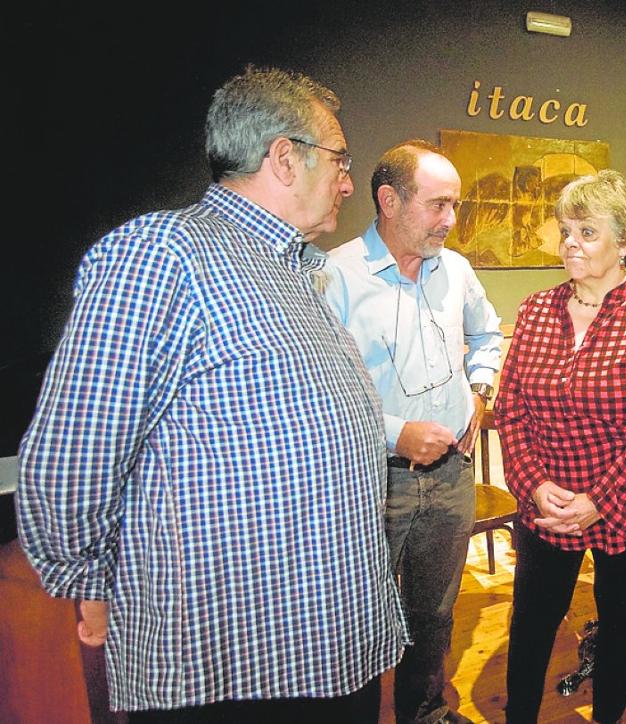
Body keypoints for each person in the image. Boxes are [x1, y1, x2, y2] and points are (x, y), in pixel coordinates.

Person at [17, 66, 406, 721]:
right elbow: (72, 454)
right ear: (284, 157)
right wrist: (87, 581)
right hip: (230, 667)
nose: (347, 180)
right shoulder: (165, 253)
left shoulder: (289, 272)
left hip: (322, 649)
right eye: (340, 159)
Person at [493, 169, 626, 724]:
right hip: (547, 506)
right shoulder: (535, 311)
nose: (570, 244)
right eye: (565, 230)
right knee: (531, 620)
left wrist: (598, 501)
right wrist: (534, 487)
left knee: (621, 620)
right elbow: (512, 411)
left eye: (587, 231)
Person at [321, 139, 503, 724]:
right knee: (359, 616)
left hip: (451, 475)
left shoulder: (457, 269)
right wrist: (395, 432)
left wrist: (480, 389)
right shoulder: (336, 277)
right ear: (389, 200)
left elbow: (487, 334)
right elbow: (321, 390)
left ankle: (424, 712)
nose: (451, 220)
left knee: (434, 611)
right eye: (439, 204)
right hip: (374, 480)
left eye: (456, 205)